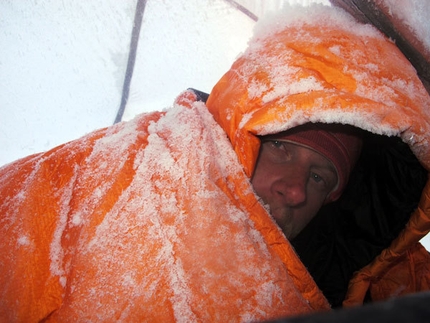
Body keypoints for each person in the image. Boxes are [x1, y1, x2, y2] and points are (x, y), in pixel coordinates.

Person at [0, 4, 429, 322]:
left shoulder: (381, 284)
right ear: (239, 137)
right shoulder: (133, 167)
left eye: (319, 177)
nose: (296, 189)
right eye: (281, 149)